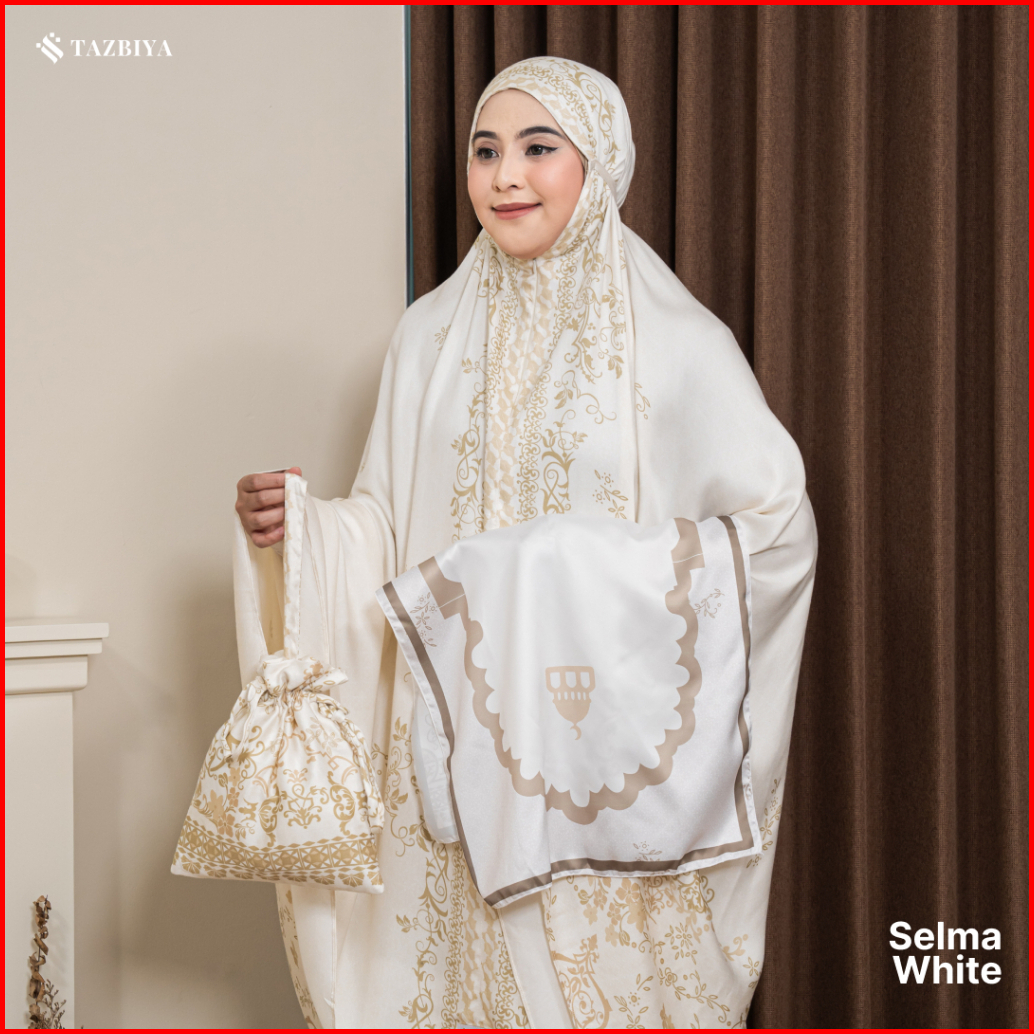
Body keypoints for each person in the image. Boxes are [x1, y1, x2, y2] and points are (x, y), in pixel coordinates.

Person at [234, 56, 816, 1029]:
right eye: (484, 151)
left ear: (600, 162)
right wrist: (306, 536)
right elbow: (387, 528)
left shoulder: (677, 344)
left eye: (538, 148)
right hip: (449, 755)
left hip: (591, 761)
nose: (504, 176)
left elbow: (773, 533)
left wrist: (568, 564)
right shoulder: (426, 336)